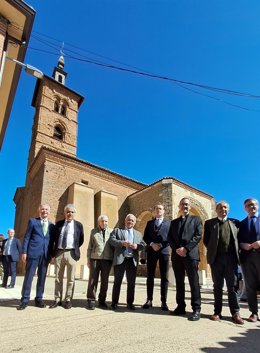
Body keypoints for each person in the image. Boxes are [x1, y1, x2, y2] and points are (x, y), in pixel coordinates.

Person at [203, 201, 244, 324]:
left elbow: (239, 240)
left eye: (225, 207)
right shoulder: (209, 223)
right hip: (216, 259)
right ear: (216, 210)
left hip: (231, 259)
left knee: (233, 287)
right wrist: (213, 251)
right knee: (217, 286)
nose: (223, 209)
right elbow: (206, 241)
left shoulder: (235, 222)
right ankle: (217, 312)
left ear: (228, 210)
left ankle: (235, 313)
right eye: (220, 207)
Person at [167, 197, 202, 321]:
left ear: (190, 206)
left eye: (187, 204)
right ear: (179, 207)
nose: (185, 206)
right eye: (182, 204)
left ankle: (196, 309)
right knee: (179, 282)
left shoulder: (196, 220)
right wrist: (177, 249)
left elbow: (198, 236)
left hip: (191, 255)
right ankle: (180, 307)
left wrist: (185, 249)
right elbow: (170, 237)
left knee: (194, 282)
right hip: (177, 256)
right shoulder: (174, 222)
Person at [17, 204, 55, 310]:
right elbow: (27, 237)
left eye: (46, 209)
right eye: (42, 209)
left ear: (49, 211)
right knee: (29, 277)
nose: (44, 211)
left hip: (45, 255)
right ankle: (24, 300)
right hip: (33, 253)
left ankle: (39, 299)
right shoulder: (33, 221)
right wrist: (24, 252)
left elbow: (52, 242)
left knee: (42, 278)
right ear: (39, 210)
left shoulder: (52, 226)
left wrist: (51, 255)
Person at [49, 204, 84, 309]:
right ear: (65, 213)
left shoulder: (79, 225)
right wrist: (53, 254)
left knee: (71, 279)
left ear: (74, 213)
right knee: (58, 278)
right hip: (59, 253)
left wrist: (74, 249)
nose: (70, 214)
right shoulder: (58, 224)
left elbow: (81, 240)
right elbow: (53, 239)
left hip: (71, 253)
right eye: (68, 212)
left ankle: (68, 299)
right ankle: (57, 299)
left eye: (72, 212)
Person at [109, 214, 145, 310]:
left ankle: (130, 303)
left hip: (132, 261)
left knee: (131, 283)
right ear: (125, 221)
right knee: (117, 282)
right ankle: (114, 303)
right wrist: (122, 243)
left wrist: (137, 246)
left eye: (132, 221)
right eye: (129, 220)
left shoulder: (138, 234)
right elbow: (111, 240)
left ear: (134, 222)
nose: (130, 222)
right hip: (120, 260)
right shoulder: (117, 230)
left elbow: (142, 245)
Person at [142, 203, 171, 310]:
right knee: (150, 276)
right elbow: (145, 237)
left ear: (163, 211)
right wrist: (152, 244)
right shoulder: (149, 223)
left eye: (160, 209)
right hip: (151, 251)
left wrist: (161, 245)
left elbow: (170, 237)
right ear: (154, 211)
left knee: (164, 277)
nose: (158, 210)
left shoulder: (169, 223)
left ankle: (164, 301)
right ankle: (149, 299)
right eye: (156, 209)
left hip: (164, 251)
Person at [238, 198, 260, 323]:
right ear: (245, 208)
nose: (251, 207)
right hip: (247, 258)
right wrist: (242, 245)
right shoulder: (242, 223)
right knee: (250, 286)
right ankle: (254, 313)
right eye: (248, 205)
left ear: (257, 206)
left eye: (253, 204)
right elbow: (238, 240)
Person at [86, 215, 113, 310]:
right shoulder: (93, 231)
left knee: (105, 281)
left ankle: (102, 301)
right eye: (102, 221)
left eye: (106, 221)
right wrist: (88, 260)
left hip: (107, 260)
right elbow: (90, 247)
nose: (104, 223)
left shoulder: (112, 232)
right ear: (99, 222)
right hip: (95, 258)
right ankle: (91, 300)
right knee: (93, 280)